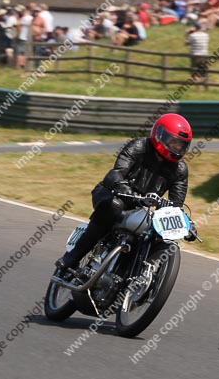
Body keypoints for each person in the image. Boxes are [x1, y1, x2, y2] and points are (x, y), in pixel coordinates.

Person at [55, 114, 196, 274]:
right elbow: (115, 174)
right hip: (113, 193)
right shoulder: (138, 147)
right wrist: (124, 188)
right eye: (173, 142)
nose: (177, 148)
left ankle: (129, 276)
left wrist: (186, 224)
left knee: (156, 231)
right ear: (160, 135)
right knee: (114, 206)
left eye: (181, 145)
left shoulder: (180, 170)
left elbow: (175, 206)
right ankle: (74, 256)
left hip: (142, 207)